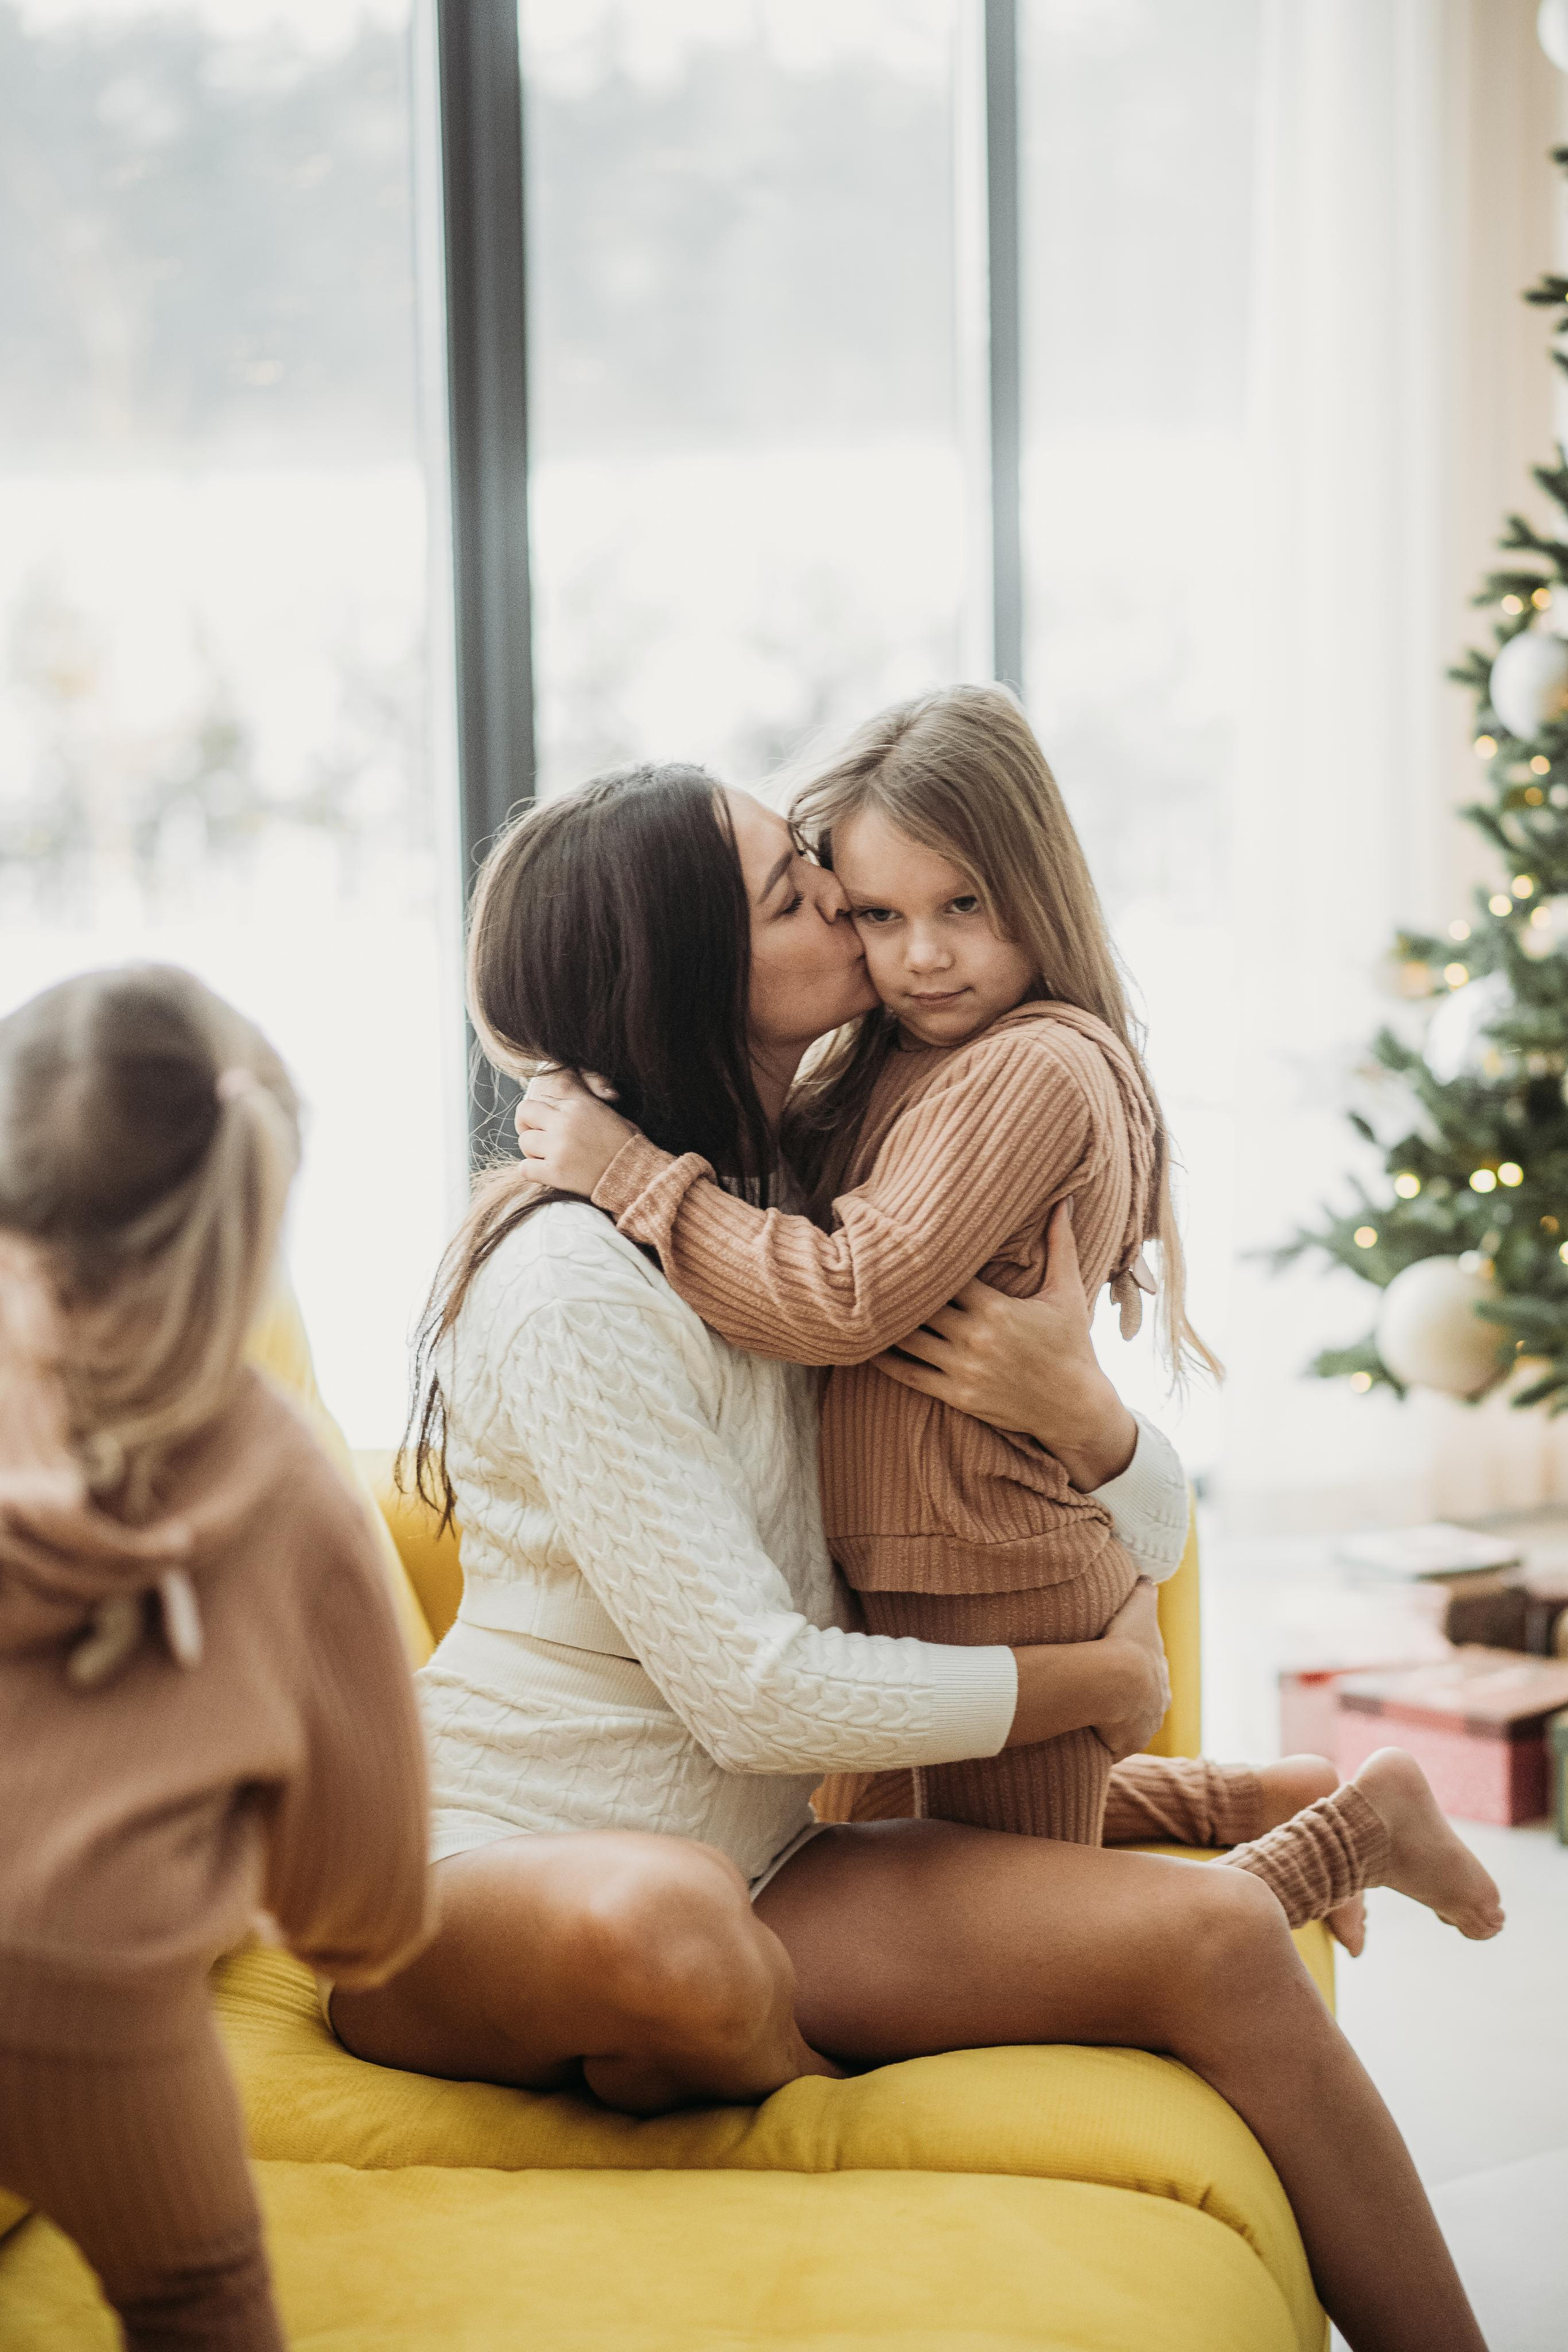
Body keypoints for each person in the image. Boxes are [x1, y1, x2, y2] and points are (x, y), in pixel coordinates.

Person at [334, 761, 1494, 2350]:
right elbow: (755, 1698)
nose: (849, 911)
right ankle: (802, 2074)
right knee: (667, 1926)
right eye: (793, 892)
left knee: (1220, 1940)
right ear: (686, 971)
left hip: (771, 1862)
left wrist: (1099, 1424)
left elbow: (1080, 1497)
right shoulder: (569, 1283)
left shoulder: (789, 1218)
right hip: (481, 1882)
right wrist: (1086, 1676)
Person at [518, 688, 1501, 1943]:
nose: (922, 956)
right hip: (899, 1574)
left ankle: (1344, 1833)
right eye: (878, 915)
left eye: (961, 907)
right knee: (896, 1881)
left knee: (1037, 1947)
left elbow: (841, 1293)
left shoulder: (1031, 1066)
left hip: (996, 1570)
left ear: (1034, 889)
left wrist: (629, 1176)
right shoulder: (898, 1061)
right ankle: (1255, 1796)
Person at [0, 968, 433, 2352]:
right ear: (248, 1228)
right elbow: (360, 1906)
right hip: (105, 2010)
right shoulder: (284, 1484)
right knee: (197, 2302)